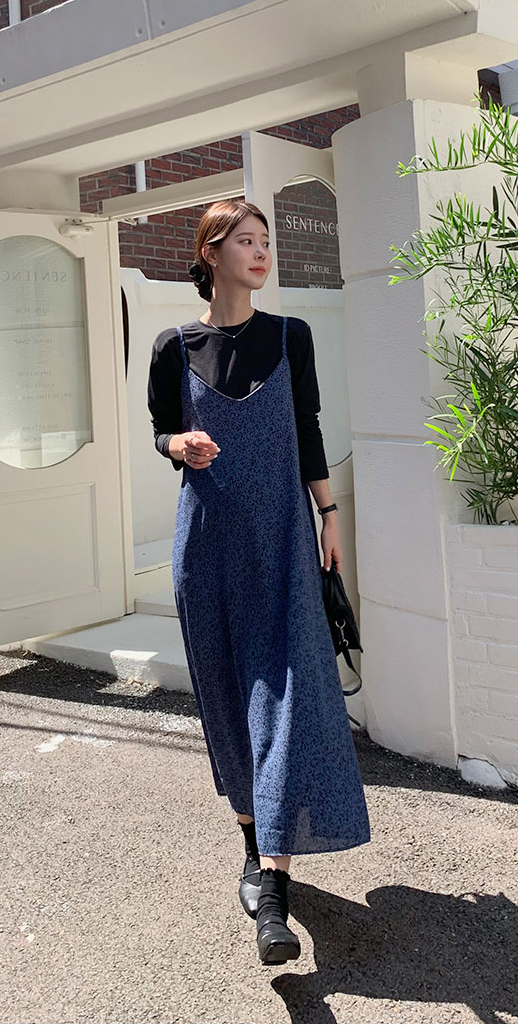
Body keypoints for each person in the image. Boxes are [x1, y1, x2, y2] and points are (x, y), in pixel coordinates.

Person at [148, 200, 370, 966]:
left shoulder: (289, 336)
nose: (260, 251)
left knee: (285, 701)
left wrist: (329, 515)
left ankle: (273, 894)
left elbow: (307, 428)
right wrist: (179, 444)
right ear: (210, 253)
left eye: (264, 241)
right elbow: (159, 431)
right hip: (207, 550)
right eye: (245, 240)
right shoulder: (173, 347)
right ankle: (253, 843)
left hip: (281, 545)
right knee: (227, 702)